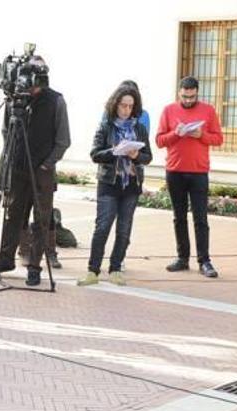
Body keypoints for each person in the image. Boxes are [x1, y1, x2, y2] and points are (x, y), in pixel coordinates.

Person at [0, 56, 70, 286]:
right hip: (18, 168)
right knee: (12, 216)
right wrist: (10, 161)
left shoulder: (55, 101)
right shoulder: (14, 100)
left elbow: (63, 140)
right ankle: (4, 261)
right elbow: (6, 132)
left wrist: (46, 164)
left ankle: (34, 266)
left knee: (41, 220)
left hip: (42, 172)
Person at [78, 84, 152, 286]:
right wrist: (114, 151)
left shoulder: (139, 128)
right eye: (123, 106)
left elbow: (148, 157)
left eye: (130, 106)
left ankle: (116, 268)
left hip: (131, 185)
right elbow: (95, 154)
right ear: (115, 105)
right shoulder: (106, 126)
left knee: (124, 230)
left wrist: (136, 155)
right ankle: (93, 270)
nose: (127, 110)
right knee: (102, 227)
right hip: (109, 183)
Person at [156, 76, 223, 278]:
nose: (188, 100)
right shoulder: (168, 110)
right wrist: (176, 134)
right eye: (184, 97)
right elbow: (159, 141)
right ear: (179, 93)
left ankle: (205, 261)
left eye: (191, 97)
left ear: (197, 93)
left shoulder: (208, 111)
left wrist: (200, 135)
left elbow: (218, 139)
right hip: (175, 171)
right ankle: (182, 258)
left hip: (199, 172)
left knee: (201, 218)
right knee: (179, 217)